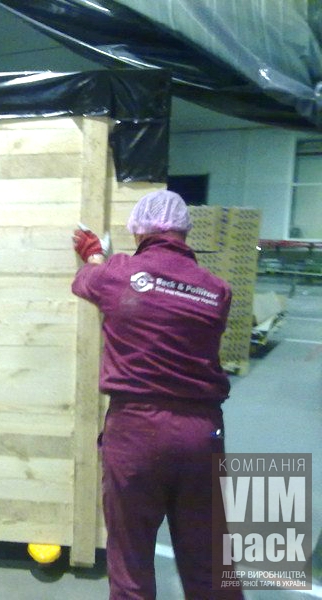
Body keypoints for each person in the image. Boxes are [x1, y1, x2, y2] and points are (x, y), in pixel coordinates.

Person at [71, 190, 243, 599]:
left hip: (136, 432)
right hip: (201, 433)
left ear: (139, 230)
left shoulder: (118, 274)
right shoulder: (218, 291)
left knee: (130, 558)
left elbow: (85, 282)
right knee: (210, 559)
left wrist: (95, 254)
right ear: (185, 231)